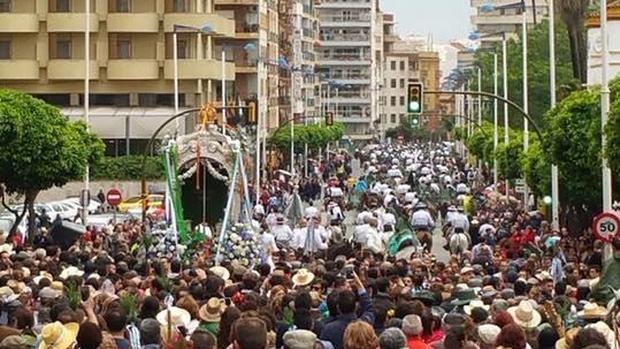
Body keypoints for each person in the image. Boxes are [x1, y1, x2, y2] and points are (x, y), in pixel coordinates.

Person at [320, 273, 375, 349]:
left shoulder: (328, 329)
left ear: (338, 308)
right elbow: (369, 308)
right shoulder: (365, 323)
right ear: (355, 306)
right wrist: (359, 285)